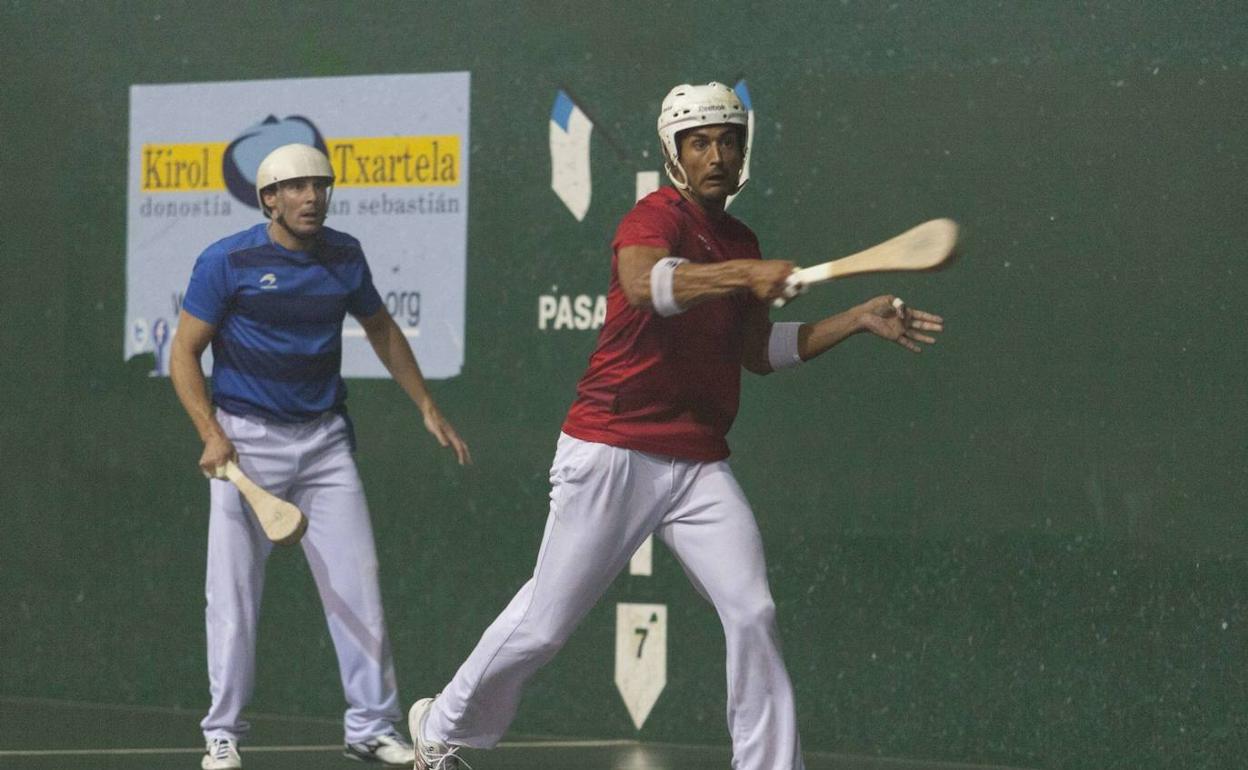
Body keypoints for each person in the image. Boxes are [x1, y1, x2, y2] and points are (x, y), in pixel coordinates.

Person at [406, 82, 944, 770]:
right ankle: (442, 727)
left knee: (753, 611)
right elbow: (644, 285)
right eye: (699, 142)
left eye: (728, 140)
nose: (716, 154)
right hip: (611, 446)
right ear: (673, 154)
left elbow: (757, 355)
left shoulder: (740, 238)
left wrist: (855, 319)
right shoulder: (652, 218)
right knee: (544, 625)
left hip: (696, 464)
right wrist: (744, 274)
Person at [169, 143, 471, 770]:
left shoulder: (344, 254)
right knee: (233, 594)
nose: (312, 198)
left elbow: (382, 327)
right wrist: (210, 432)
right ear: (269, 199)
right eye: (298, 188)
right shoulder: (228, 261)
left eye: (321, 186)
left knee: (358, 586)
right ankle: (222, 733)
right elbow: (183, 353)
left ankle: (370, 726)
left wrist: (424, 404)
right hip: (244, 444)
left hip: (324, 442)